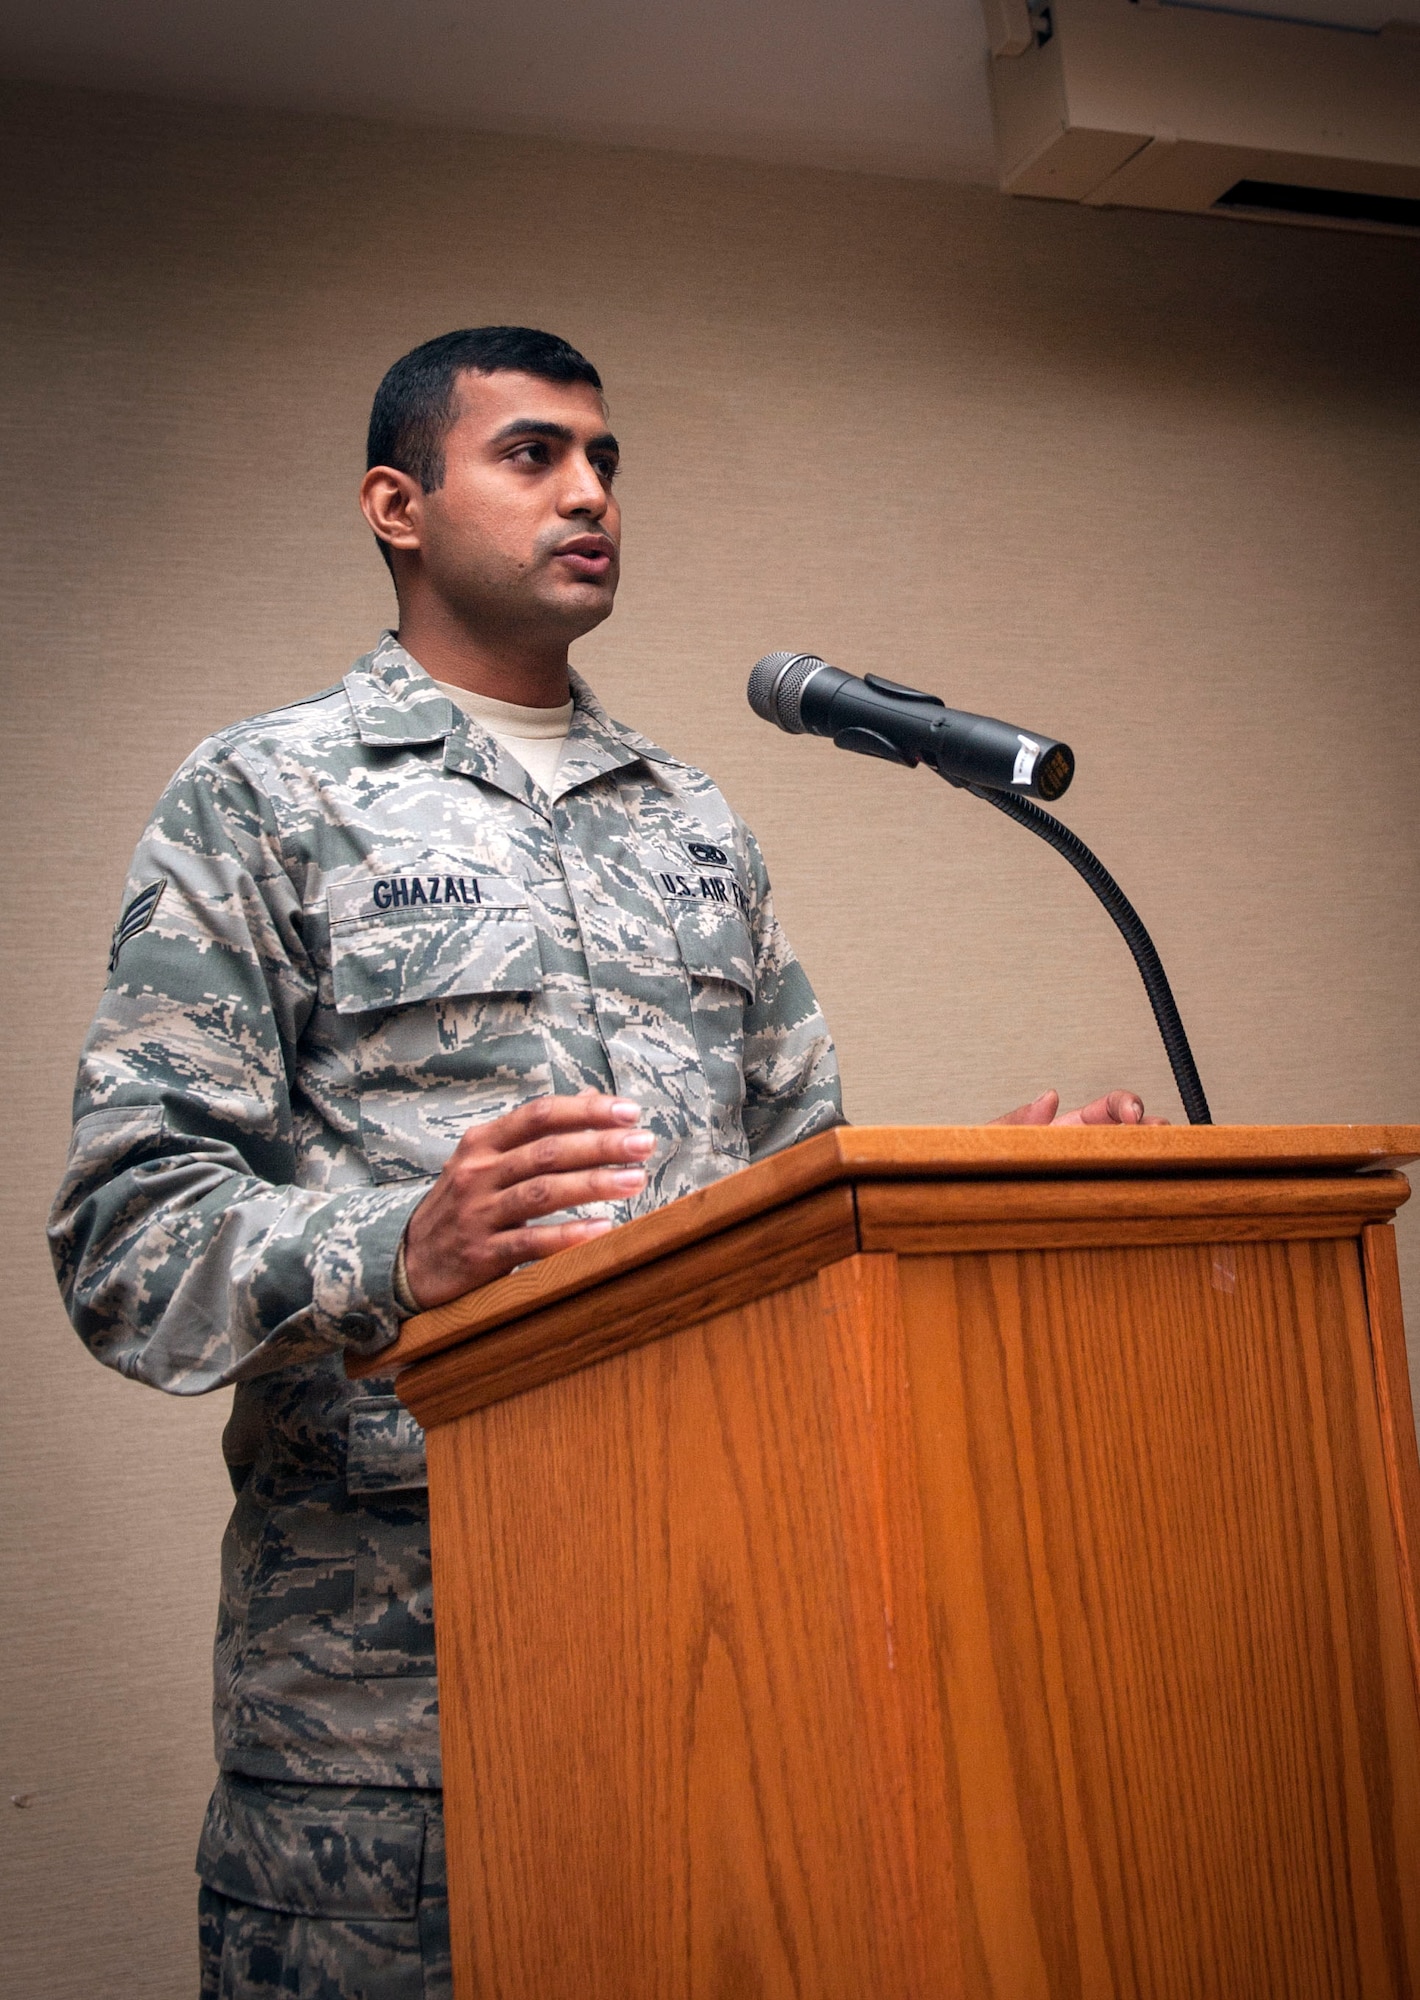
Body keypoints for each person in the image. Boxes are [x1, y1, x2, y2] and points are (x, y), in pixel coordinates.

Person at [48, 325, 1161, 1999]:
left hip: (711, 1685)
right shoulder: (265, 797)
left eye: (608, 460)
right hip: (387, 1734)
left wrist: (953, 1198)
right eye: (534, 454)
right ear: (395, 504)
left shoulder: (695, 821)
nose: (591, 493)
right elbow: (129, 1240)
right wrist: (398, 1249)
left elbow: (790, 1214)